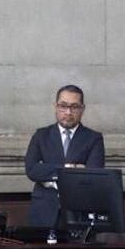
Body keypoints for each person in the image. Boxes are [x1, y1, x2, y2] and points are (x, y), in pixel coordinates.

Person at [24, 85, 106, 228]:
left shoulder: (94, 138)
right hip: (44, 211)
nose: (68, 112)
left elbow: (93, 174)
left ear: (82, 109)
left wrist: (49, 178)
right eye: (63, 106)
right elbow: (32, 170)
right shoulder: (41, 135)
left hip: (79, 212)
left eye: (74, 107)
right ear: (56, 106)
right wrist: (69, 168)